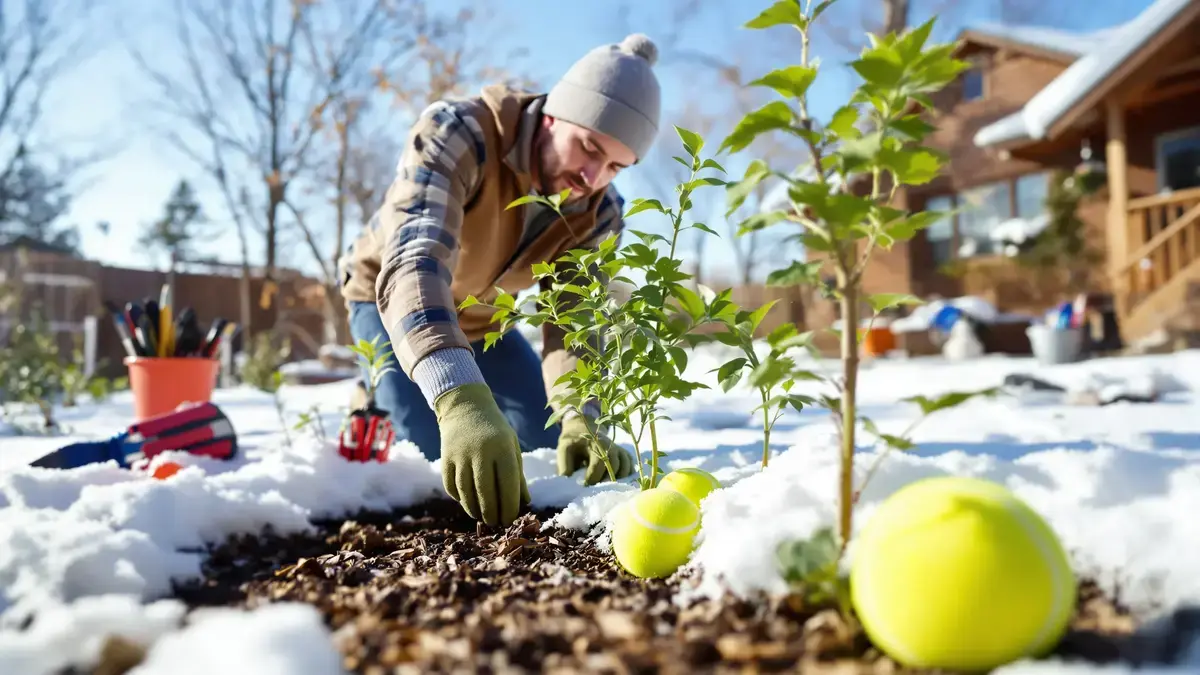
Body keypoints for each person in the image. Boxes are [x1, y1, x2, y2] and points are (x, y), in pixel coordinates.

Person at [338, 34, 662, 526]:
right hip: (389, 303)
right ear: (553, 115)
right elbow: (413, 263)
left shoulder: (599, 211)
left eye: (616, 166)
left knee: (549, 443)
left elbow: (575, 318)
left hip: (488, 317)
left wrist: (582, 413)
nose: (593, 177)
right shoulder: (461, 133)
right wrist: (460, 397)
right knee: (430, 454)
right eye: (589, 147)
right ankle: (373, 398)